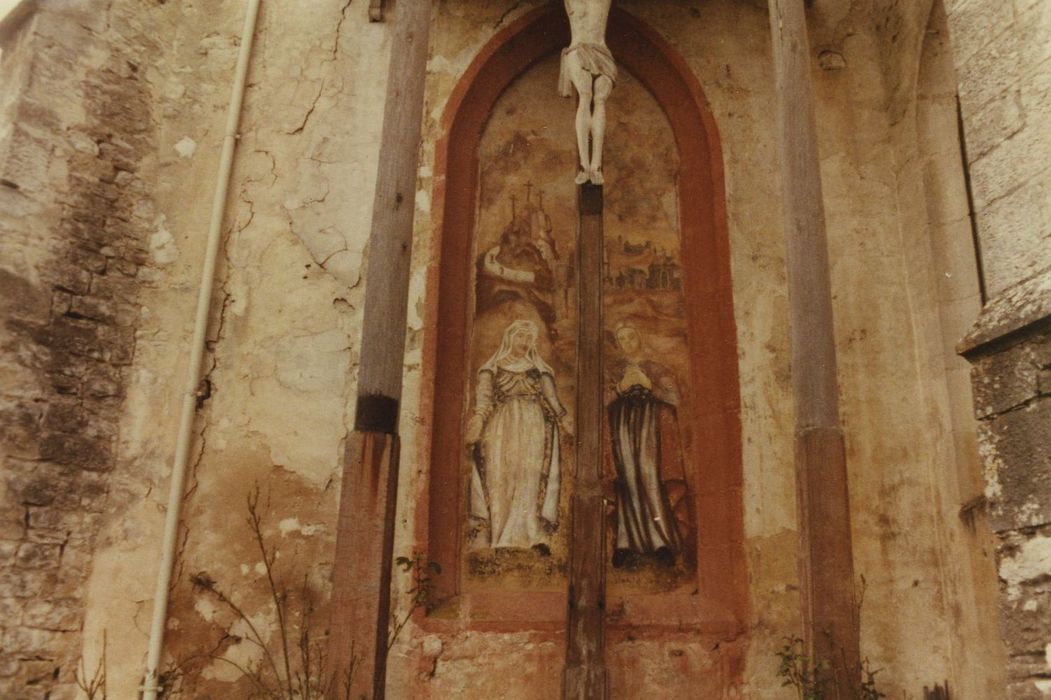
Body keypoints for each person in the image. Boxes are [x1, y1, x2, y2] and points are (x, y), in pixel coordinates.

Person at [466, 319, 569, 553]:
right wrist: (478, 421)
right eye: (520, 336)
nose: (525, 341)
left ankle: (532, 536)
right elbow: (483, 401)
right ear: (509, 338)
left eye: (529, 337)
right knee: (500, 476)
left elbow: (553, 401)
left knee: (529, 477)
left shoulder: (539, 369)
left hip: (534, 425)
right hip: (501, 426)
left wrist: (565, 420)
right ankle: (501, 537)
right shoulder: (491, 368)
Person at [604, 323, 687, 568]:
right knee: (627, 480)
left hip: (650, 428)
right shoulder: (614, 370)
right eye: (622, 339)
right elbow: (601, 400)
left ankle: (660, 541)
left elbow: (674, 398)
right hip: (622, 429)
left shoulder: (655, 368)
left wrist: (650, 386)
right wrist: (620, 388)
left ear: (639, 338)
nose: (628, 342)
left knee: (650, 477)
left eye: (631, 337)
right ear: (618, 344)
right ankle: (625, 543)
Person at [560, 0, 616, 185]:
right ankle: (586, 165)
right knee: (586, 98)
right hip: (578, 50)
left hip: (602, 52)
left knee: (598, 100)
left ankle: (595, 166)